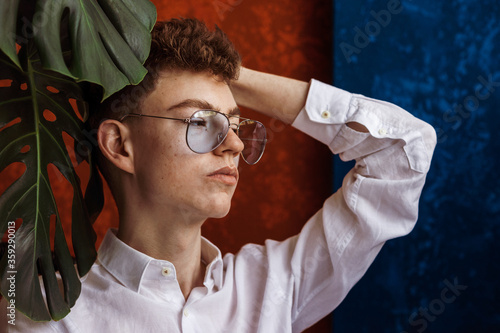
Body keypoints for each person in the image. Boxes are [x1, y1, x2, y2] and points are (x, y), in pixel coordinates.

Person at [3, 18, 436, 332]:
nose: (234, 145)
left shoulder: (272, 287)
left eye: (234, 123)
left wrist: (232, 77)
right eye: (200, 121)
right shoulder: (42, 313)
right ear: (120, 146)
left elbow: (403, 151)